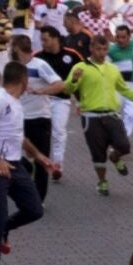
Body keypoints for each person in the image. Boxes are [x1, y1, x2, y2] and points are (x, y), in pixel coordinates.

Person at [53, 33, 133, 197]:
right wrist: (74, 81)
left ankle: (115, 157)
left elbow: (125, 89)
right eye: (98, 49)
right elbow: (67, 90)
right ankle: (102, 182)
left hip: (112, 115)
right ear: (91, 49)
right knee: (98, 154)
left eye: (104, 49)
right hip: (91, 117)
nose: (101, 53)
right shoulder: (80, 68)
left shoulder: (112, 69)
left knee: (124, 145)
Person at [0, 61, 57, 265]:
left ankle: (6, 229)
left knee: (34, 209)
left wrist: (39, 156)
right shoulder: (1, 98)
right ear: (23, 81)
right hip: (0, 168)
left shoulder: (16, 104)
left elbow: (19, 136)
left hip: (15, 165)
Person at [10, 35, 58, 202]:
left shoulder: (40, 65)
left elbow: (60, 84)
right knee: (14, 155)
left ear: (19, 49)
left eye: (12, 49)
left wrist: (42, 91)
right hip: (19, 119)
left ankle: (39, 199)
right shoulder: (13, 68)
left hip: (40, 118)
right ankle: (26, 168)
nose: (11, 52)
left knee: (42, 160)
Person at [37, 27, 81, 179]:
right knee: (41, 133)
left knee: (58, 131)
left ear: (55, 39)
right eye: (41, 39)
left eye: (45, 39)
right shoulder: (38, 57)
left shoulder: (71, 54)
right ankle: (41, 162)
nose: (42, 43)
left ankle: (57, 165)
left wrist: (82, 100)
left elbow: (85, 73)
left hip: (61, 100)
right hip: (41, 100)